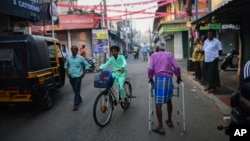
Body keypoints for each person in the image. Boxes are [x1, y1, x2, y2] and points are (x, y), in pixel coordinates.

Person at [148, 41, 182, 135]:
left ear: (157, 48)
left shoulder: (153, 56)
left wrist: (150, 78)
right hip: (168, 80)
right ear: (164, 49)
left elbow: (150, 69)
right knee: (168, 100)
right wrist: (178, 77)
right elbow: (176, 67)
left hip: (159, 79)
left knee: (158, 103)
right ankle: (170, 120)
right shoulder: (169, 54)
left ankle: (161, 127)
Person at [64, 45, 90, 111]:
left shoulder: (80, 58)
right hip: (71, 76)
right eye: (72, 49)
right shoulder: (68, 58)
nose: (73, 50)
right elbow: (65, 65)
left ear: (77, 50)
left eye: (74, 49)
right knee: (75, 89)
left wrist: (83, 73)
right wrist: (67, 73)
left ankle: (76, 104)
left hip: (78, 76)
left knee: (77, 89)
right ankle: (79, 98)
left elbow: (86, 65)